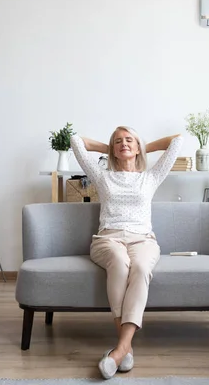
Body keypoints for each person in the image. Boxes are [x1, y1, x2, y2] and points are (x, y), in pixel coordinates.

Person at [70, 126, 183, 379]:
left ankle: (120, 350)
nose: (124, 144)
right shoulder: (102, 176)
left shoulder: (150, 177)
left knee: (141, 268)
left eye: (128, 140)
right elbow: (75, 141)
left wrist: (142, 145)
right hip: (108, 239)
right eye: (118, 141)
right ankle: (125, 347)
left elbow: (177, 141)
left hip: (143, 240)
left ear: (137, 146)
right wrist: (107, 147)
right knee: (120, 264)